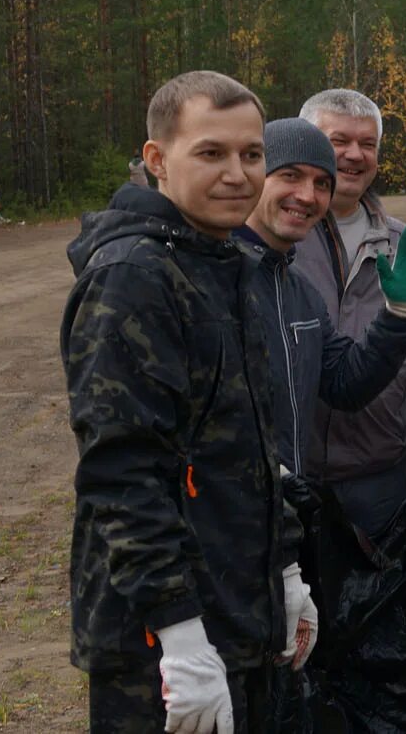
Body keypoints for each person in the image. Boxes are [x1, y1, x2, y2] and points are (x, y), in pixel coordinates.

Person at [62, 70, 311, 733]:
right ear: (156, 160)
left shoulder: (225, 263)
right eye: (211, 153)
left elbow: (253, 444)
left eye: (251, 154)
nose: (237, 173)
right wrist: (177, 631)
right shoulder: (135, 278)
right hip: (163, 644)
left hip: (238, 610)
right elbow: (122, 473)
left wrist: (284, 566)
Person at [289, 90, 406, 728]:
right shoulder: (279, 240)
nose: (354, 155)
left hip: (381, 489)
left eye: (367, 143)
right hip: (292, 493)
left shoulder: (404, 245)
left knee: (389, 668)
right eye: (339, 141)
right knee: (298, 661)